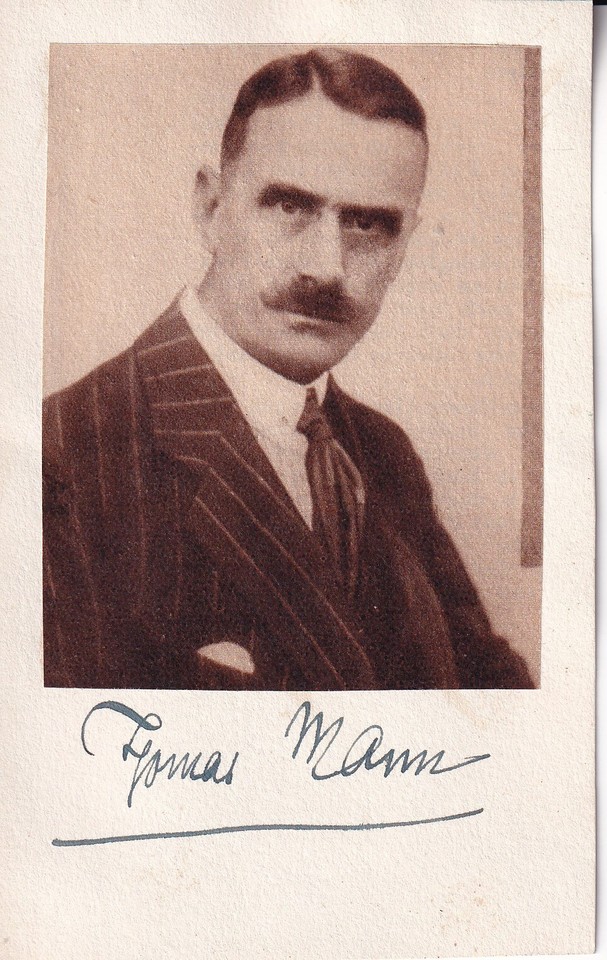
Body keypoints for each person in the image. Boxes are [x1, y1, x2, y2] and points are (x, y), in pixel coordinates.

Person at [43, 47, 533, 690]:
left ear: (404, 247)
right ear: (211, 209)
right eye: (290, 207)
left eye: (369, 224)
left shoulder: (384, 454)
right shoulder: (63, 458)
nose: (326, 267)